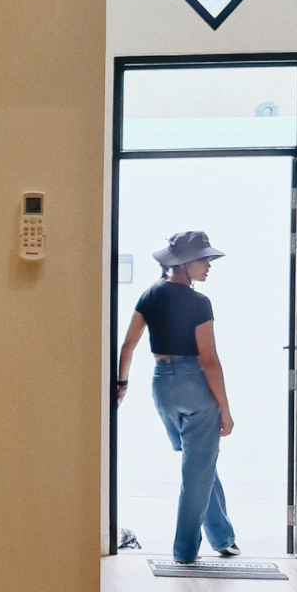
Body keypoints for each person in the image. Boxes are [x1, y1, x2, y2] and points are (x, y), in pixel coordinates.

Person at [117, 230, 240, 564]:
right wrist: (225, 409)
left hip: (162, 388)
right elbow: (209, 360)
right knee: (197, 470)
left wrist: (122, 384)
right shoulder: (199, 302)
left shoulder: (149, 294)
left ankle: (223, 538)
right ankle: (184, 552)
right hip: (193, 386)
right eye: (204, 259)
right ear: (185, 263)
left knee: (200, 463)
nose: (209, 265)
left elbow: (128, 345)